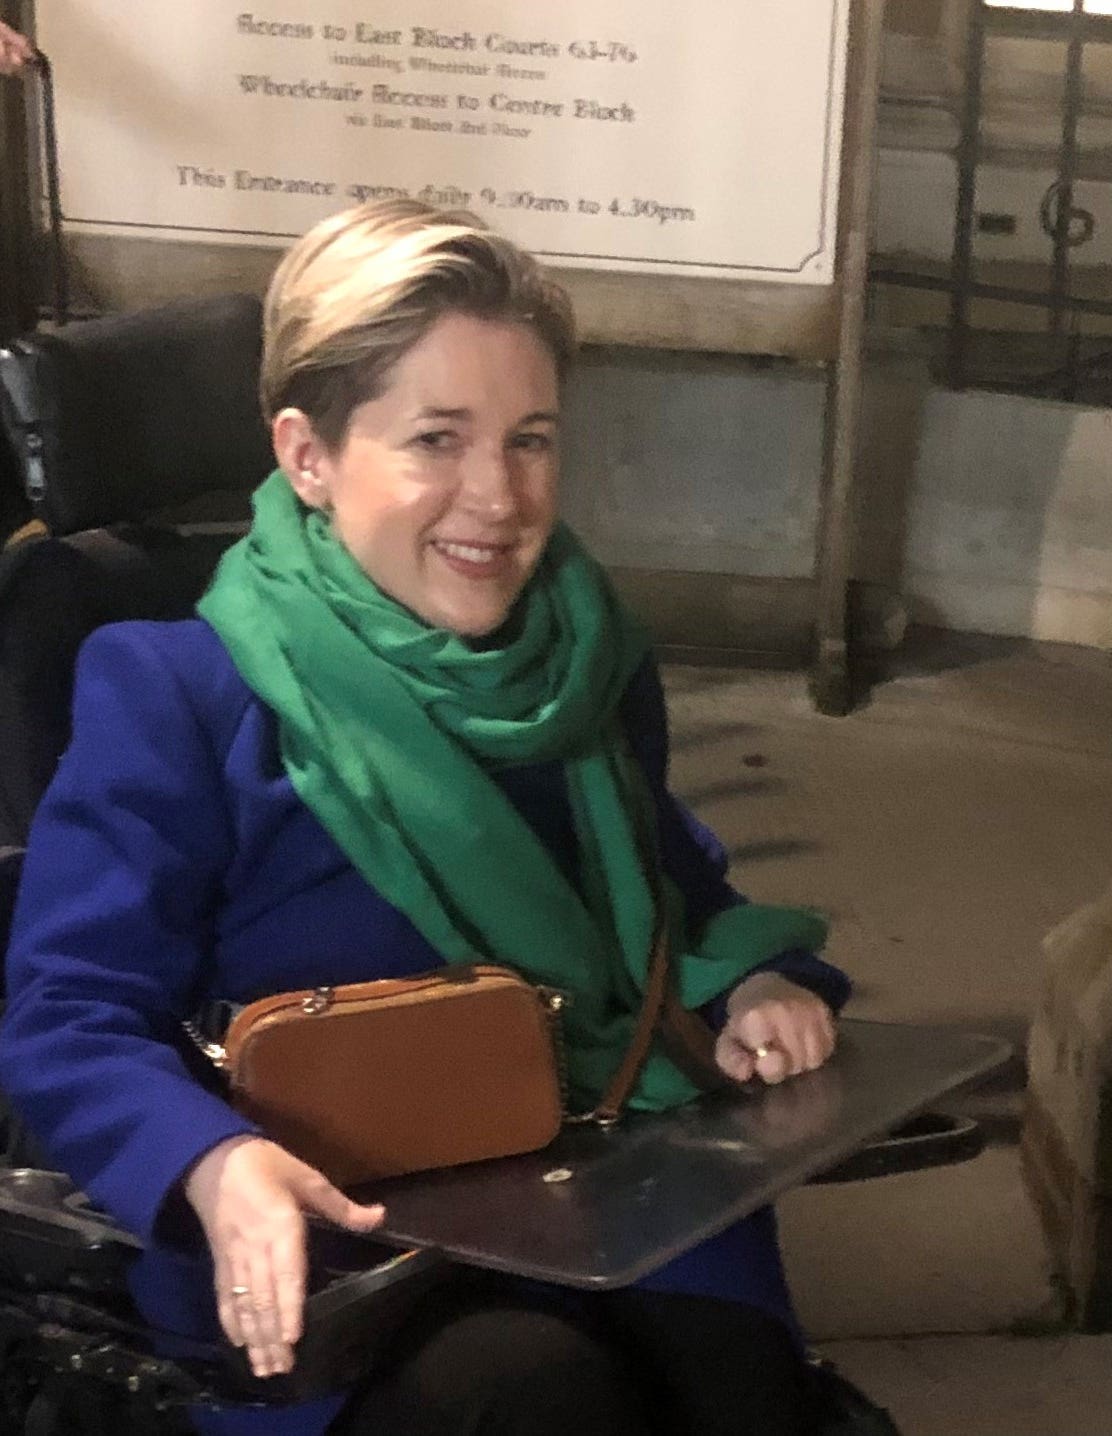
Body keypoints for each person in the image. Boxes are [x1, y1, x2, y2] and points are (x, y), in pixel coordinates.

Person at [1, 200, 849, 1436]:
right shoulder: (178, 691)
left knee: (748, 1387)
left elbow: (669, 890)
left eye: (531, 439)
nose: (497, 497)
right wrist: (209, 1161)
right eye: (436, 440)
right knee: (531, 1399)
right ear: (307, 453)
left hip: (598, 1184)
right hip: (329, 1235)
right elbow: (66, 1013)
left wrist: (758, 981)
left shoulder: (587, 658)